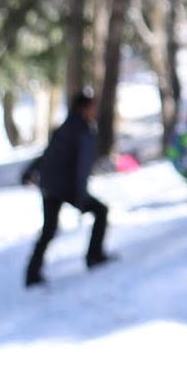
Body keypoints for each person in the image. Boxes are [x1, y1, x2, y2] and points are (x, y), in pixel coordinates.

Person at [22, 90, 114, 287]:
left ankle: (32, 273)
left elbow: (47, 154)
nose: (95, 111)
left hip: (49, 185)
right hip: (65, 187)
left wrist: (29, 171)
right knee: (101, 211)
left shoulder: (64, 127)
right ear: (84, 108)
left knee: (49, 229)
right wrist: (81, 197)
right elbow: (81, 167)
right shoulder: (84, 131)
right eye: (93, 107)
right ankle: (94, 256)